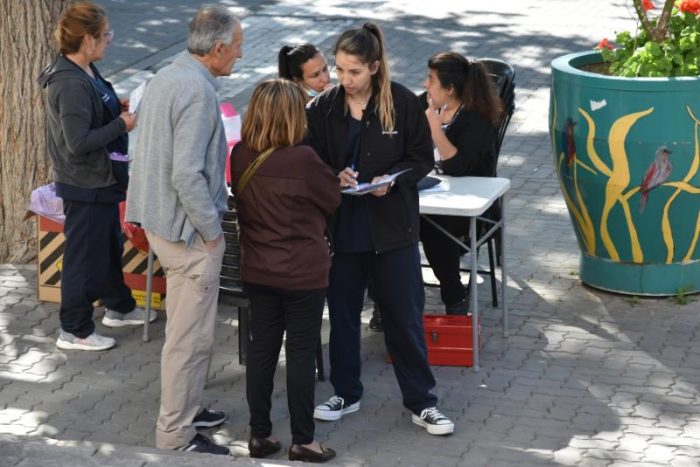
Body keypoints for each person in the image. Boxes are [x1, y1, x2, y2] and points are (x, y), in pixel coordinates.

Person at [305, 22, 455, 436]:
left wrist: (392, 179)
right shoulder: (321, 108)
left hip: (393, 230)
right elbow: (310, 161)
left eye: (353, 72)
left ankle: (422, 401)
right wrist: (334, 176)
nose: (344, 80)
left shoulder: (403, 103)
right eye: (338, 70)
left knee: (403, 317)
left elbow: (422, 160)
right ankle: (346, 392)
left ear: (374, 66)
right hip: (344, 229)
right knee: (344, 317)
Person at [125, 4, 243, 455]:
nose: (239, 57)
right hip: (187, 232)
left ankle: (188, 411)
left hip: (161, 223)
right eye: (236, 48)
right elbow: (187, 174)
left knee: (186, 332)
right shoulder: (197, 92)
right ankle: (175, 433)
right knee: (189, 338)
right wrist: (212, 231)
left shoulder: (170, 74)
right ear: (215, 49)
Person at [231, 79, 340, 463]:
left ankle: (259, 434)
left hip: (258, 268)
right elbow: (331, 199)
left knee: (262, 351)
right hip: (303, 273)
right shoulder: (304, 159)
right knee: (299, 352)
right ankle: (303, 440)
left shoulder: (241, 154)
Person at [38, 1, 156, 353]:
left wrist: (113, 107)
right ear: (87, 40)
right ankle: (73, 328)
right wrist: (122, 124)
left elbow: (91, 114)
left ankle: (119, 306)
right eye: (106, 35)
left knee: (106, 247)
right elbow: (78, 142)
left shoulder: (84, 69)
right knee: (83, 258)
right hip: (85, 183)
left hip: (101, 179)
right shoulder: (70, 84)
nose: (110, 41)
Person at [419, 52, 504, 315]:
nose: (425, 85)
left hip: (471, 206)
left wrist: (434, 129)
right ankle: (386, 302)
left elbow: (457, 167)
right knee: (389, 217)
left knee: (431, 223)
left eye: (431, 80)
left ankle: (454, 298)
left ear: (450, 88)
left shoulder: (477, 119)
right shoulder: (424, 103)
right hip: (431, 193)